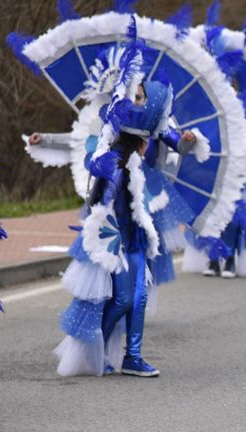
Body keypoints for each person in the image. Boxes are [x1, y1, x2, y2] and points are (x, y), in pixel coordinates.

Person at [54, 80, 172, 377]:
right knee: (122, 299)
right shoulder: (118, 164)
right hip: (115, 243)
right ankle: (97, 350)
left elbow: (172, 141)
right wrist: (111, 243)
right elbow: (101, 207)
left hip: (136, 239)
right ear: (140, 143)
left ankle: (133, 357)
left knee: (140, 297)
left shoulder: (135, 163)